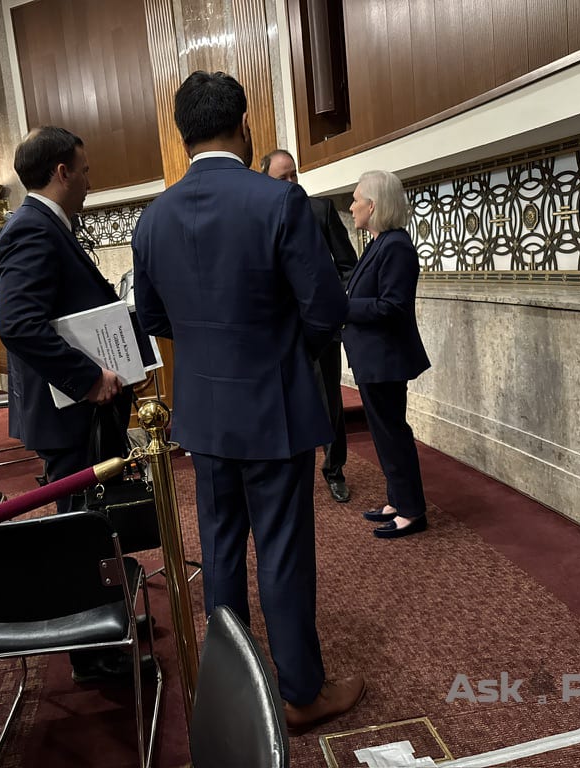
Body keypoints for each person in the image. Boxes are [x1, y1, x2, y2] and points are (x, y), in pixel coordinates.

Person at [131, 70, 365, 734]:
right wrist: (280, 350)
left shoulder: (152, 218)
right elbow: (326, 309)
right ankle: (298, 691)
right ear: (243, 127)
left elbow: (154, 316)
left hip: (202, 413)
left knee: (221, 549)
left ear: (183, 135)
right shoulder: (278, 201)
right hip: (278, 406)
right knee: (284, 552)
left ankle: (231, 686)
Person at [0, 126, 136, 685]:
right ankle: (92, 655)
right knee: (80, 529)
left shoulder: (46, 225)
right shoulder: (31, 229)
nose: (89, 178)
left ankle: (106, 623)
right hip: (70, 410)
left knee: (93, 524)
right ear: (61, 171)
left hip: (77, 410)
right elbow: (18, 324)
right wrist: (88, 379)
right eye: (85, 167)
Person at [261, 149, 357, 504]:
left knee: (330, 400)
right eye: (281, 178)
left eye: (293, 175)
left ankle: (335, 470)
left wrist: (332, 302)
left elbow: (348, 265)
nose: (290, 183)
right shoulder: (260, 217)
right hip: (279, 330)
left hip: (321, 329)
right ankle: (287, 472)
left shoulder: (320, 210)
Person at [343, 170, 431, 539]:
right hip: (374, 357)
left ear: (373, 205)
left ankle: (412, 511)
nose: (352, 206)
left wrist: (342, 308)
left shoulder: (395, 246)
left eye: (356, 199)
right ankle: (397, 500)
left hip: (385, 359)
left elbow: (393, 306)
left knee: (392, 433)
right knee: (385, 434)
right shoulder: (380, 242)